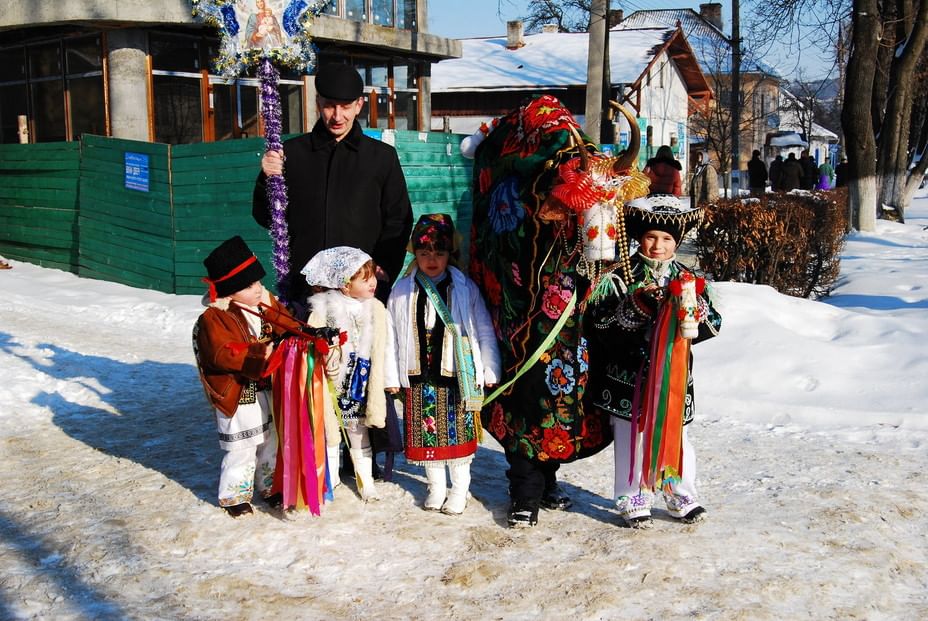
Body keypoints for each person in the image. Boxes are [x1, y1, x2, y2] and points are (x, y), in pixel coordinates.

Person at [586, 195, 722, 528]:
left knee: (676, 434)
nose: (658, 245)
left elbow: (713, 324)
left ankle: (678, 491)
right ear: (639, 238)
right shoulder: (618, 277)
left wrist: (694, 311)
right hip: (628, 377)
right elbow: (599, 326)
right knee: (631, 436)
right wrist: (636, 308)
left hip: (674, 377)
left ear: (676, 242)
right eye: (651, 237)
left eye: (666, 239)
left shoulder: (689, 279)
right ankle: (633, 495)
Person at [252, 62, 413, 308]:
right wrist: (267, 179)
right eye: (329, 106)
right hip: (304, 291)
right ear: (318, 104)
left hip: (362, 292)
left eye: (346, 107)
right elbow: (267, 218)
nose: (337, 116)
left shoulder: (381, 157)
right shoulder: (292, 154)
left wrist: (385, 268)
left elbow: (398, 220)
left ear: (359, 105)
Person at [385, 214, 501, 515]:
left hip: (457, 375)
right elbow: (391, 337)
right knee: (427, 437)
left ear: (450, 253)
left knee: (458, 436)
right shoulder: (401, 290)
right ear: (416, 254)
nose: (431, 259)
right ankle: (435, 487)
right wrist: (390, 374)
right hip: (419, 375)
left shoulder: (464, 288)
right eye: (424, 253)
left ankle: (459, 490)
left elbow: (483, 328)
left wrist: (488, 367)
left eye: (439, 252)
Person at [192, 235, 303, 517]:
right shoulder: (214, 318)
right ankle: (234, 496)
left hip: (267, 386)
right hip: (238, 390)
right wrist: (258, 353)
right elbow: (221, 353)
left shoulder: (263, 304)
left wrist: (305, 335)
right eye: (249, 285)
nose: (258, 288)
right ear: (230, 290)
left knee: (270, 439)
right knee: (243, 445)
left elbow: (287, 325)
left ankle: (270, 486)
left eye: (258, 282)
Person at [301, 246, 389, 501]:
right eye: (365, 279)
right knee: (329, 432)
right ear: (345, 285)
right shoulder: (322, 311)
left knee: (358, 431)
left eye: (373, 276)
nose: (373, 283)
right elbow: (311, 345)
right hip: (332, 382)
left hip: (360, 382)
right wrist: (325, 356)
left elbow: (386, 346)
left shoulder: (376, 309)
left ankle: (366, 481)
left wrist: (390, 378)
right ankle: (331, 480)